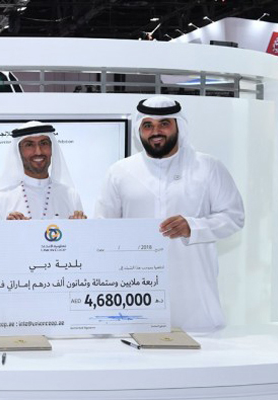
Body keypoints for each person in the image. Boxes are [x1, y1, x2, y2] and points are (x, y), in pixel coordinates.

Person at [94, 96, 245, 331]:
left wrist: (193, 227)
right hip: (135, 290)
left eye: (164, 123)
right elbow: (102, 228)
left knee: (200, 348)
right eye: (148, 125)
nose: (156, 131)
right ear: (139, 130)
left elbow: (234, 217)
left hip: (193, 292)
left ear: (178, 126)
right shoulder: (119, 172)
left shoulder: (208, 167)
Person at [0, 121, 85, 220]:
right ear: (18, 152)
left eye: (44, 143)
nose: (38, 152)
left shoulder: (71, 196)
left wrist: (78, 226)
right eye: (29, 145)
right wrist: (10, 228)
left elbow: (80, 230)